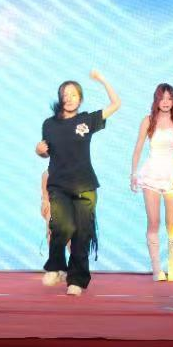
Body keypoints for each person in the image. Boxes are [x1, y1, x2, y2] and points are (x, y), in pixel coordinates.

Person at [36, 71, 121, 296]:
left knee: (82, 234)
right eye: (65, 94)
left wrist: (103, 80)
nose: (69, 98)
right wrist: (39, 151)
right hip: (58, 185)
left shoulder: (86, 120)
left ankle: (77, 280)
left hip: (85, 186)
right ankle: (56, 267)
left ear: (80, 98)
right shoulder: (49, 124)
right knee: (61, 227)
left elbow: (116, 104)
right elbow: (46, 152)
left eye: (74, 94)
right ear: (60, 98)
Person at [130, 84, 173, 282]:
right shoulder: (148, 120)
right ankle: (156, 269)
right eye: (162, 98)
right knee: (153, 222)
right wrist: (133, 173)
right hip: (151, 174)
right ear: (156, 100)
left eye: (169, 98)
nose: (166, 102)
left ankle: (172, 268)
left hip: (172, 175)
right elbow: (138, 148)